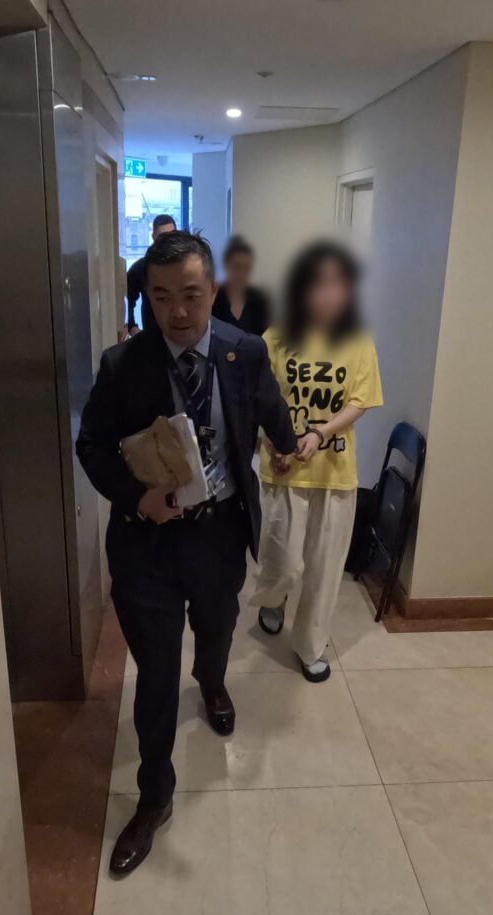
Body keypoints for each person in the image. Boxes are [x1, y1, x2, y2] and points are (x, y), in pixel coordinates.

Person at [77, 231, 296, 876]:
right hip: (147, 540)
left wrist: (292, 441)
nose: (178, 312)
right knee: (156, 670)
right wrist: (135, 497)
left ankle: (214, 680)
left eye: (191, 295)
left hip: (220, 530)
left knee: (220, 623)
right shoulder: (124, 365)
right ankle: (154, 796)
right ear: (147, 296)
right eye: (162, 296)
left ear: (212, 293)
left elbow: (270, 410)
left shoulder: (244, 351)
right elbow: (91, 447)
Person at [250, 241, 383, 682]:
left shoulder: (358, 341)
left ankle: (310, 645)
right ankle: (273, 599)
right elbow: (259, 398)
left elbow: (362, 400)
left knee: (325, 570)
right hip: (284, 469)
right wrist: (270, 440)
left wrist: (321, 432)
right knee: (283, 561)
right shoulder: (275, 337)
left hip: (335, 473)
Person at [123, 213, 176, 338]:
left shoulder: (184, 266)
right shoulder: (142, 268)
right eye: (163, 237)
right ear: (154, 237)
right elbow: (127, 298)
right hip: (153, 337)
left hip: (181, 335)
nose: (168, 241)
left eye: (172, 235)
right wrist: (132, 327)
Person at [212, 235, 271, 337]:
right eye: (237, 267)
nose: (241, 273)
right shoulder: (215, 297)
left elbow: (265, 338)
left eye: (246, 267)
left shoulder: (259, 300)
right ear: (226, 265)